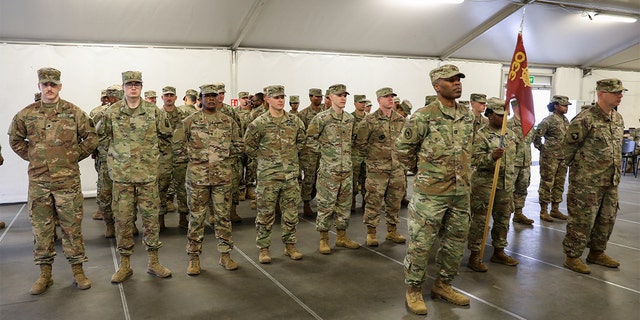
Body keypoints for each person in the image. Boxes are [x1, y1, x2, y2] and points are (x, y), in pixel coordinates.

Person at [8, 67, 97, 294]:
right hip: (39, 181)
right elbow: (15, 139)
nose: (49, 88)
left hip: (67, 181)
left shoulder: (73, 112)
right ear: (39, 86)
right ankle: (44, 274)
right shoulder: (26, 114)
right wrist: (34, 156)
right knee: (41, 228)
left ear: (60, 86)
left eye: (53, 84)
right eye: (45, 84)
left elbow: (91, 137)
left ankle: (78, 270)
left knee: (71, 227)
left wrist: (73, 156)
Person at [396, 64, 473, 314]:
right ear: (437, 86)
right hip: (431, 195)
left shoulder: (467, 115)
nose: (457, 83)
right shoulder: (423, 116)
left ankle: (444, 284)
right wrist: (424, 173)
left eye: (458, 79)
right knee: (421, 244)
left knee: (455, 243)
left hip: (460, 193)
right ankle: (414, 289)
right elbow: (403, 150)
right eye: (450, 80)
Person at [99, 71, 173, 283]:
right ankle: (125, 265)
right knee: (123, 221)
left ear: (141, 87)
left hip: (147, 177)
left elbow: (166, 137)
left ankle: (154, 262)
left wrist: (154, 159)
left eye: (137, 84)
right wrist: (115, 160)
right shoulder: (111, 112)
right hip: (122, 179)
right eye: (129, 84)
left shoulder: (153, 111)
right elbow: (101, 139)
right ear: (123, 87)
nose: (133, 87)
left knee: (151, 221)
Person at [173, 84, 243, 275]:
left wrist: (223, 159)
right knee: (196, 218)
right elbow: (177, 145)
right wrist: (193, 160)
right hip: (197, 178)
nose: (211, 99)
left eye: (214, 96)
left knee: (223, 217)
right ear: (200, 99)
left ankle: (225, 255)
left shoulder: (228, 122)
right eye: (207, 96)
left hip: (222, 178)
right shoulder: (189, 121)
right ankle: (194, 258)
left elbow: (238, 145)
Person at [562, 79, 626, 274]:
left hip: (611, 180)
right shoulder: (585, 119)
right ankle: (572, 256)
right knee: (582, 219)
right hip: (587, 182)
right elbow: (567, 149)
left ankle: (597, 252)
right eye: (615, 92)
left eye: (621, 92)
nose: (620, 95)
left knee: (606, 219)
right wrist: (582, 172)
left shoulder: (617, 118)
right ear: (601, 93)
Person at [244, 85, 306, 264]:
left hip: (290, 176)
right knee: (265, 214)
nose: (280, 100)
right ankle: (264, 248)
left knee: (291, 213)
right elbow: (249, 146)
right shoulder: (259, 123)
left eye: (282, 97)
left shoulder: (294, 122)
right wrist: (265, 161)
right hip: (268, 177)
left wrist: (290, 159)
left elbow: (301, 143)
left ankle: (290, 245)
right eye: (276, 97)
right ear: (267, 100)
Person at [306, 84, 360, 254]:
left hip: (346, 171)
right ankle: (324, 239)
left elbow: (353, 141)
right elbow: (310, 140)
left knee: (344, 205)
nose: (343, 98)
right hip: (329, 171)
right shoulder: (321, 118)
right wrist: (325, 151)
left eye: (345, 95)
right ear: (330, 97)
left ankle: (342, 236)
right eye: (339, 95)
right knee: (326, 205)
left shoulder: (349, 119)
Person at [467, 98, 519, 272]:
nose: (504, 119)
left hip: (505, 184)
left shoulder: (510, 134)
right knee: (480, 221)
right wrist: (491, 157)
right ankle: (475, 254)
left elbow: (514, 159)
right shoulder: (480, 135)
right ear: (490, 115)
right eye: (499, 116)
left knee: (503, 219)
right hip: (485, 184)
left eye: (506, 116)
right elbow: (473, 159)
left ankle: (499, 251)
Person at [354, 87, 406, 247]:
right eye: (386, 96)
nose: (390, 99)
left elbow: (406, 143)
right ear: (378, 100)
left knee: (395, 201)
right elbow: (360, 144)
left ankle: (392, 231)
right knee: (373, 201)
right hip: (377, 171)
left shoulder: (400, 120)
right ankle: (371, 233)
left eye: (391, 96)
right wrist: (372, 160)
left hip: (396, 169)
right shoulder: (369, 121)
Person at [534, 95, 572, 222]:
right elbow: (537, 136)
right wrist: (543, 149)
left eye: (567, 105)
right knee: (547, 183)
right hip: (550, 157)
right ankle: (543, 211)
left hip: (563, 157)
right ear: (556, 105)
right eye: (564, 105)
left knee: (559, 184)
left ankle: (555, 209)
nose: (566, 107)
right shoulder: (548, 120)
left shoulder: (566, 120)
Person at [298, 88, 324, 217]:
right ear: (310, 97)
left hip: (324, 151)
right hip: (309, 152)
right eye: (316, 97)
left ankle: (323, 203)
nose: (318, 99)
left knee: (323, 179)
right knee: (309, 178)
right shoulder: (303, 114)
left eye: (320, 97)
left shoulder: (325, 113)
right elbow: (301, 134)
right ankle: (306, 203)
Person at [508, 99, 535, 225]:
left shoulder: (528, 124)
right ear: (515, 108)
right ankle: (505, 215)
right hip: (512, 163)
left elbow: (532, 140)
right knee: (507, 190)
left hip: (525, 163)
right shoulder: (508, 125)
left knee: (522, 189)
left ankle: (518, 213)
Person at [351, 94, 367, 211]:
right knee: (353, 179)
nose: (363, 104)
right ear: (355, 103)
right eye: (360, 102)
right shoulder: (350, 118)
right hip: (354, 154)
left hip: (367, 154)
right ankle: (351, 201)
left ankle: (366, 202)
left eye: (364, 102)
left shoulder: (369, 118)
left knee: (366, 179)